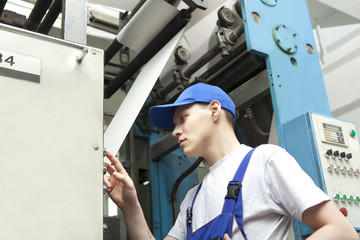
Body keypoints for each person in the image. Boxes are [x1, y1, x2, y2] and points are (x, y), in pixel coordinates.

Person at [104, 83, 359, 240]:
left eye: (182, 118)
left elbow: (342, 231)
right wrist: (131, 206)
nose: (175, 132)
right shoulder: (192, 199)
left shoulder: (265, 161)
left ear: (214, 110)